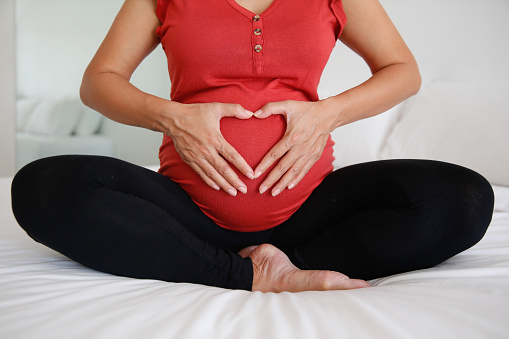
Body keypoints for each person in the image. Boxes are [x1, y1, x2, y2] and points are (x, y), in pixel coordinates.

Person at [11, 0, 494, 293]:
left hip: (310, 215)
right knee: (42, 186)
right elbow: (99, 82)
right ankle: (246, 274)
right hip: (187, 216)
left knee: (462, 198)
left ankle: (290, 263)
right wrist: (173, 117)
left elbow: (402, 71)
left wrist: (328, 114)